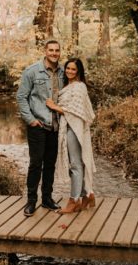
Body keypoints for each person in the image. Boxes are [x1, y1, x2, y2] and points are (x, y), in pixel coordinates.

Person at [17, 38, 65, 216]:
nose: (54, 53)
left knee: (50, 164)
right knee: (36, 163)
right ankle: (31, 201)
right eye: (51, 50)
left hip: (55, 126)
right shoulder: (32, 72)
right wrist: (30, 119)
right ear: (45, 51)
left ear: (59, 52)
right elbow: (21, 97)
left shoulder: (63, 73)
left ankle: (47, 199)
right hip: (37, 124)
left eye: (57, 50)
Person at [45, 57, 96, 214]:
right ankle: (87, 195)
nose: (69, 71)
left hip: (74, 128)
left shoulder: (79, 87)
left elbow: (75, 111)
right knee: (76, 164)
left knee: (75, 165)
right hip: (67, 127)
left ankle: (74, 201)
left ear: (79, 71)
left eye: (73, 69)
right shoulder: (68, 86)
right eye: (68, 68)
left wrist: (54, 107)